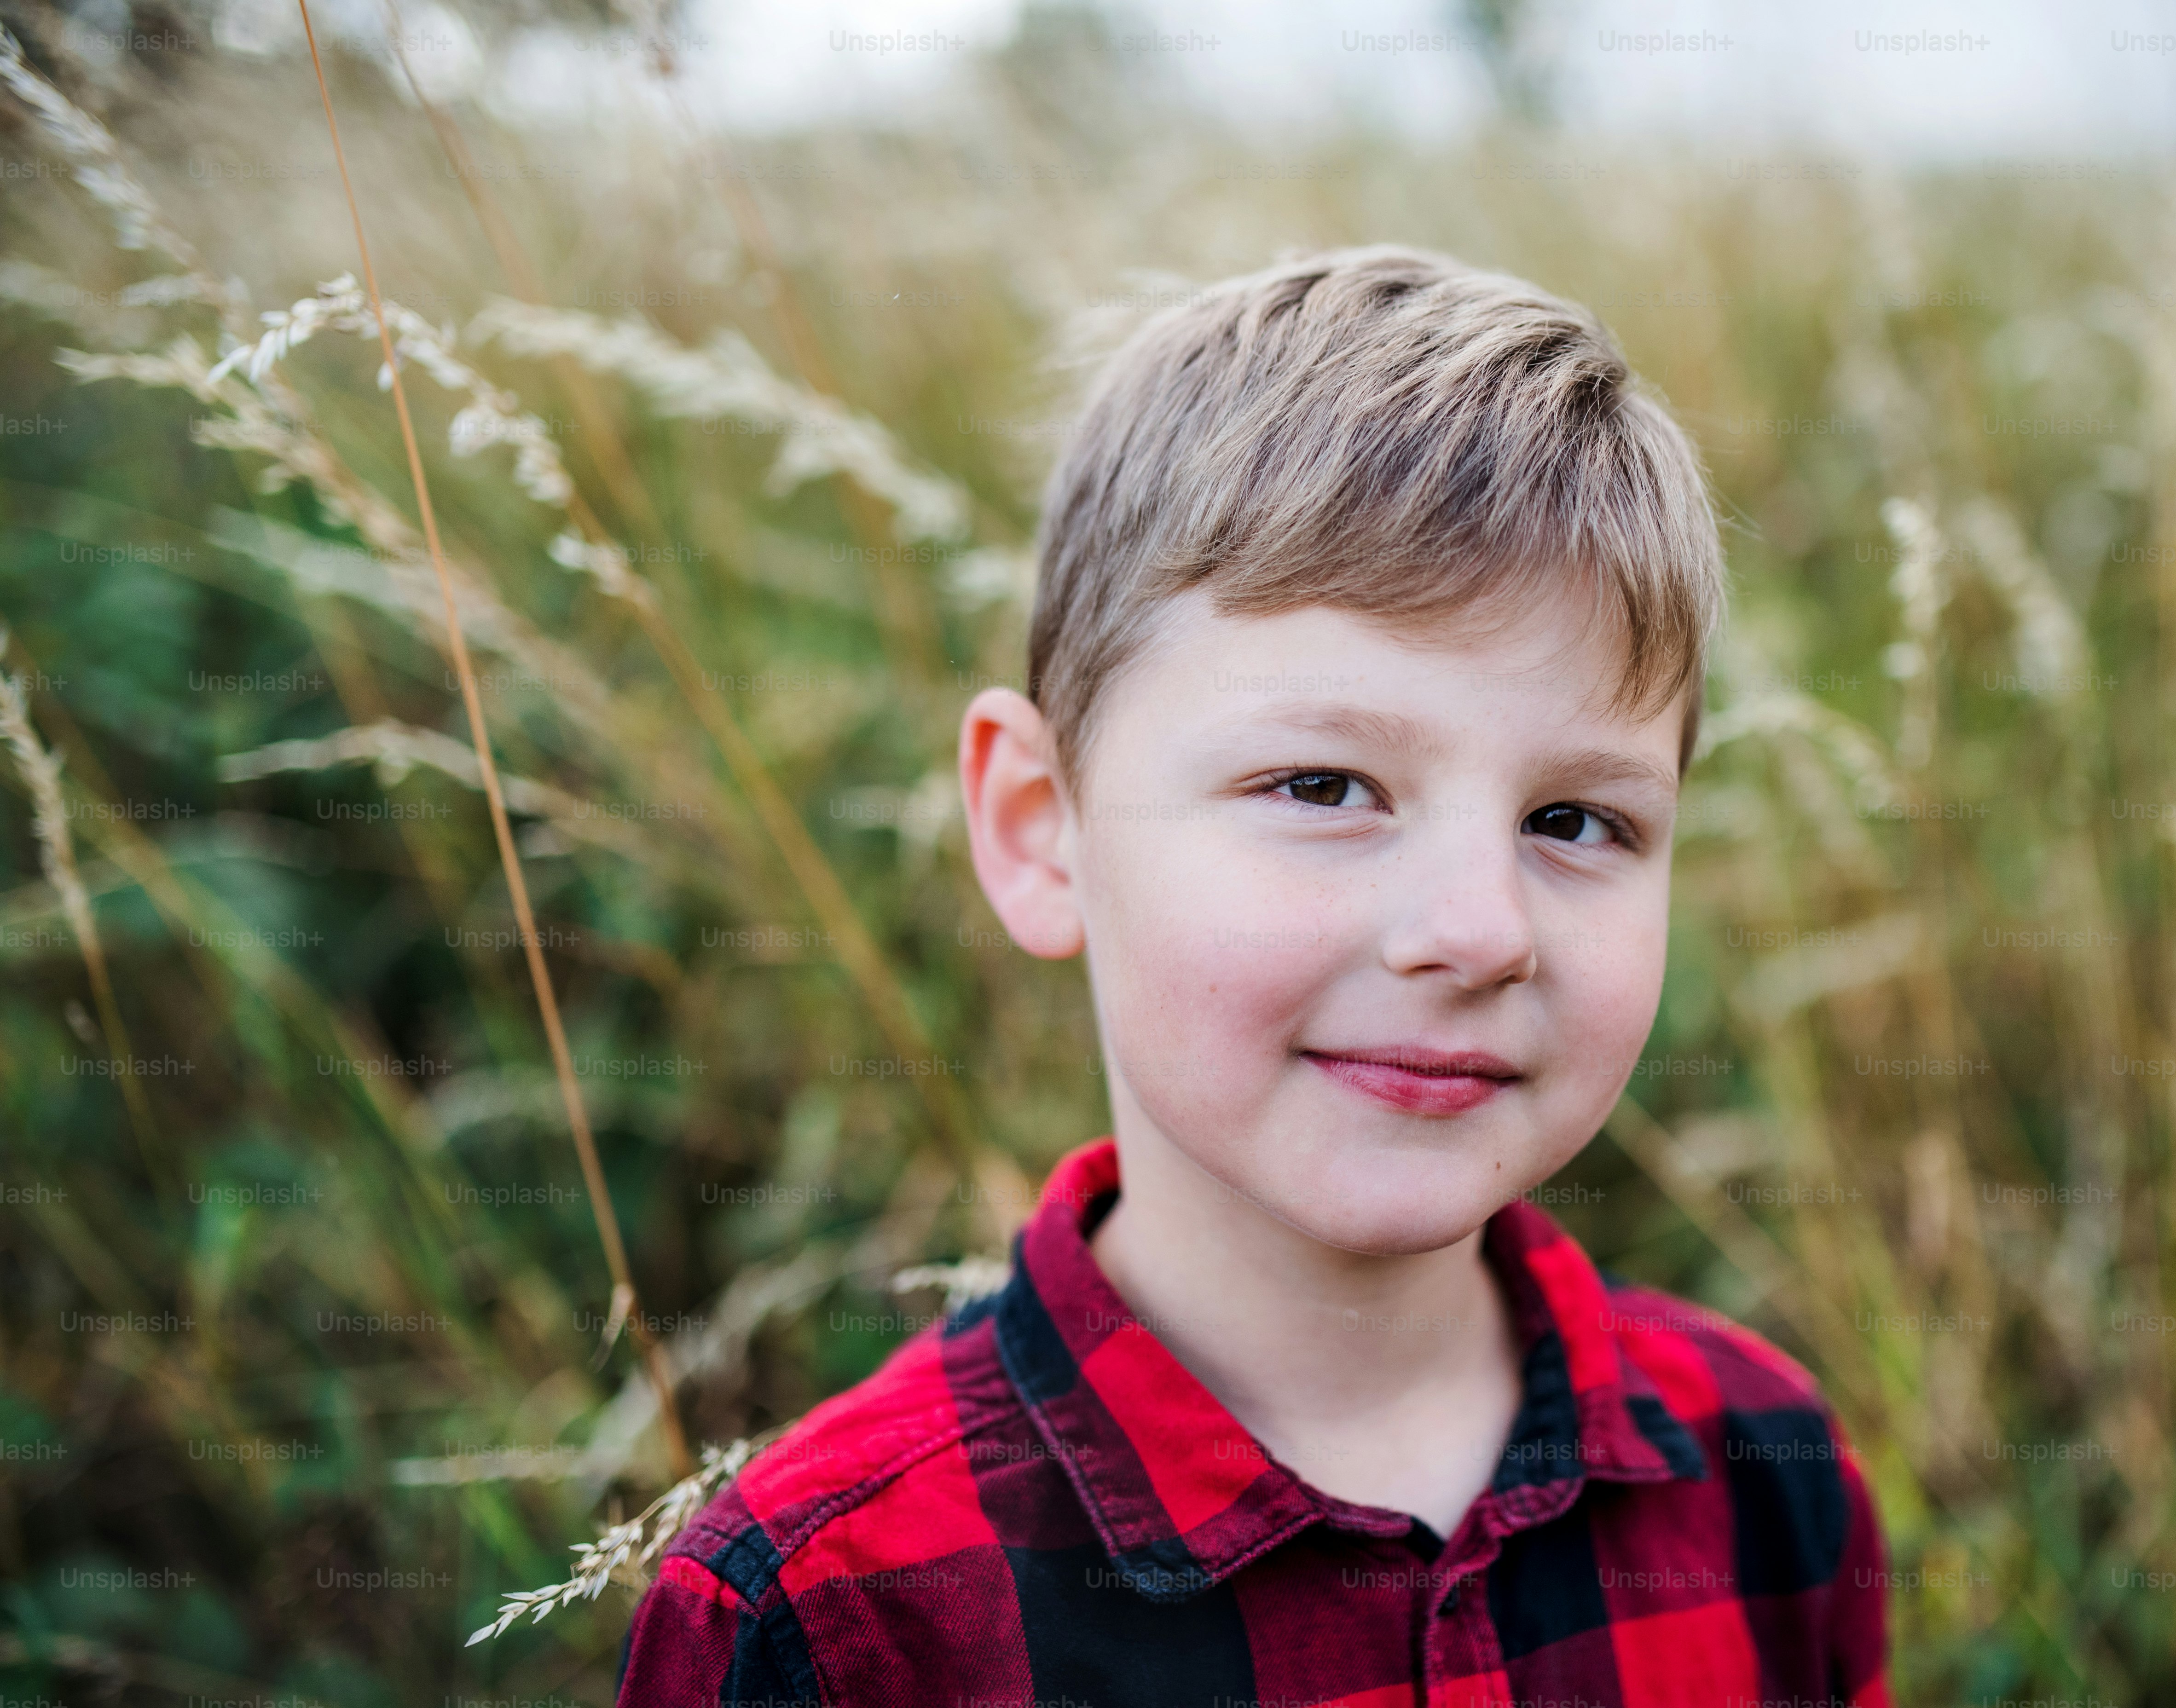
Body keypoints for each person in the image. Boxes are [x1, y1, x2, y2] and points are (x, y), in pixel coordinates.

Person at [613, 243, 1892, 1708]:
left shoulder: (1764, 1470)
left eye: (1574, 822)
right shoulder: (831, 1622)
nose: (1478, 931)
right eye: (1326, 787)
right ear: (1043, 831)